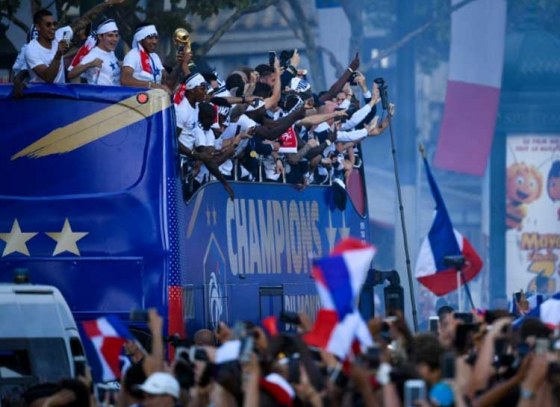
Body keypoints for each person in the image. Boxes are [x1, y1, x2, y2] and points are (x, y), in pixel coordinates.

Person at [121, 23, 187, 94]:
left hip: (155, 101)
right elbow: (125, 80)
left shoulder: (154, 57)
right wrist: (152, 85)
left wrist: (180, 64)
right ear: (140, 39)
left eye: (156, 38)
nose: (155, 41)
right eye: (150, 38)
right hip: (137, 101)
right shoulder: (133, 55)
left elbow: (167, 82)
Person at [67, 19, 121, 85]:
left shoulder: (111, 52)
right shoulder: (93, 54)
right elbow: (70, 74)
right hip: (101, 94)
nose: (115, 39)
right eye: (110, 35)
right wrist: (90, 64)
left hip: (116, 94)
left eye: (116, 35)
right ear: (100, 36)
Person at [24, 9, 70, 84]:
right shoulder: (31, 49)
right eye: (48, 25)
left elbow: (80, 24)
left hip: (62, 94)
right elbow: (48, 78)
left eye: (54, 24)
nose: (53, 27)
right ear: (38, 27)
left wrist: (76, 39)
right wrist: (58, 55)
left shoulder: (58, 37)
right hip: (43, 94)